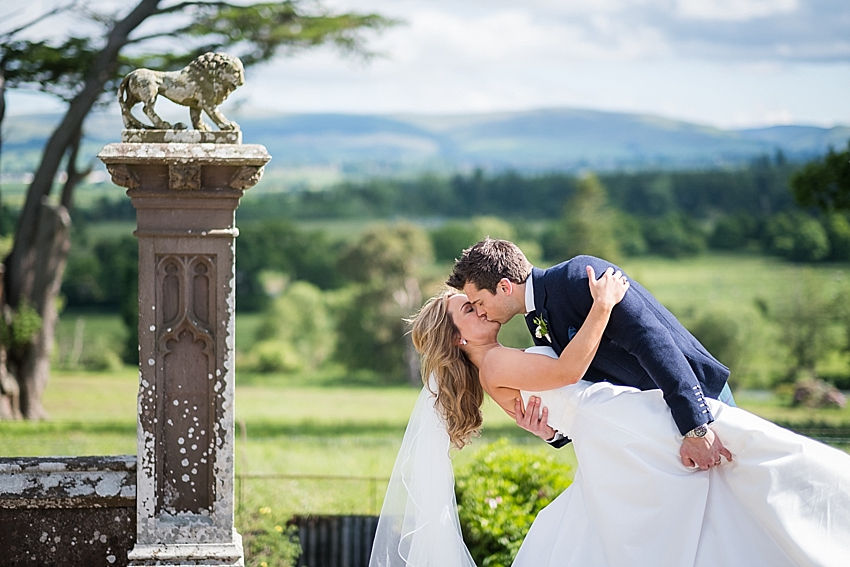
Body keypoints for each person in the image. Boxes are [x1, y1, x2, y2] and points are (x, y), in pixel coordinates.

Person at [368, 267, 850, 567]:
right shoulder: (494, 363)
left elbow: (552, 412)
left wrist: (550, 431)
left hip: (610, 428)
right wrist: (601, 308)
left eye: (474, 300)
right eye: (467, 309)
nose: (477, 308)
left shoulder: (498, 360)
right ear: (458, 338)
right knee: (745, 463)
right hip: (617, 421)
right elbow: (567, 370)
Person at [447, 238, 733, 471]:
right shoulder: (535, 318)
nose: (480, 311)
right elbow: (586, 387)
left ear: (504, 287)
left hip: (699, 401)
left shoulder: (580, 278)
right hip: (657, 424)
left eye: (479, 302)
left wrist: (695, 427)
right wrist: (553, 433)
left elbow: (652, 341)